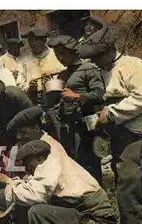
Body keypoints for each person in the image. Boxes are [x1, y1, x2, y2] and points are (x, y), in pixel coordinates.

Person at [0, 107, 119, 224]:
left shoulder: (48, 152)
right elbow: (33, 183)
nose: (19, 137)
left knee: (38, 213)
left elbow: (37, 194)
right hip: (85, 213)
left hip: (96, 219)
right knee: (35, 213)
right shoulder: (41, 148)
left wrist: (5, 192)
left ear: (36, 127)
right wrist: (10, 184)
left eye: (23, 131)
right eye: (18, 133)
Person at [78, 25, 142, 224]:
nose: (96, 62)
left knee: (129, 195)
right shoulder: (105, 71)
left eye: (99, 56)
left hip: (136, 137)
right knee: (137, 193)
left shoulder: (133, 66)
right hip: (121, 138)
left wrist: (108, 114)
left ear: (110, 50)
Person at [47, 35, 106, 184]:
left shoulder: (89, 69)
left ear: (73, 51)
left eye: (62, 53)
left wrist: (77, 96)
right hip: (69, 126)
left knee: (89, 163)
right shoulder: (63, 74)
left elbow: (100, 94)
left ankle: (98, 197)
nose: (60, 58)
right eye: (56, 54)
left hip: (86, 126)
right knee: (74, 164)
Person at [19, 27, 65, 103]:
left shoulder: (56, 55)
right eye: (30, 40)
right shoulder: (25, 62)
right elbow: (20, 85)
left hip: (59, 97)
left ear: (44, 40)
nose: (34, 43)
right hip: (36, 100)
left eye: (37, 40)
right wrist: (29, 87)